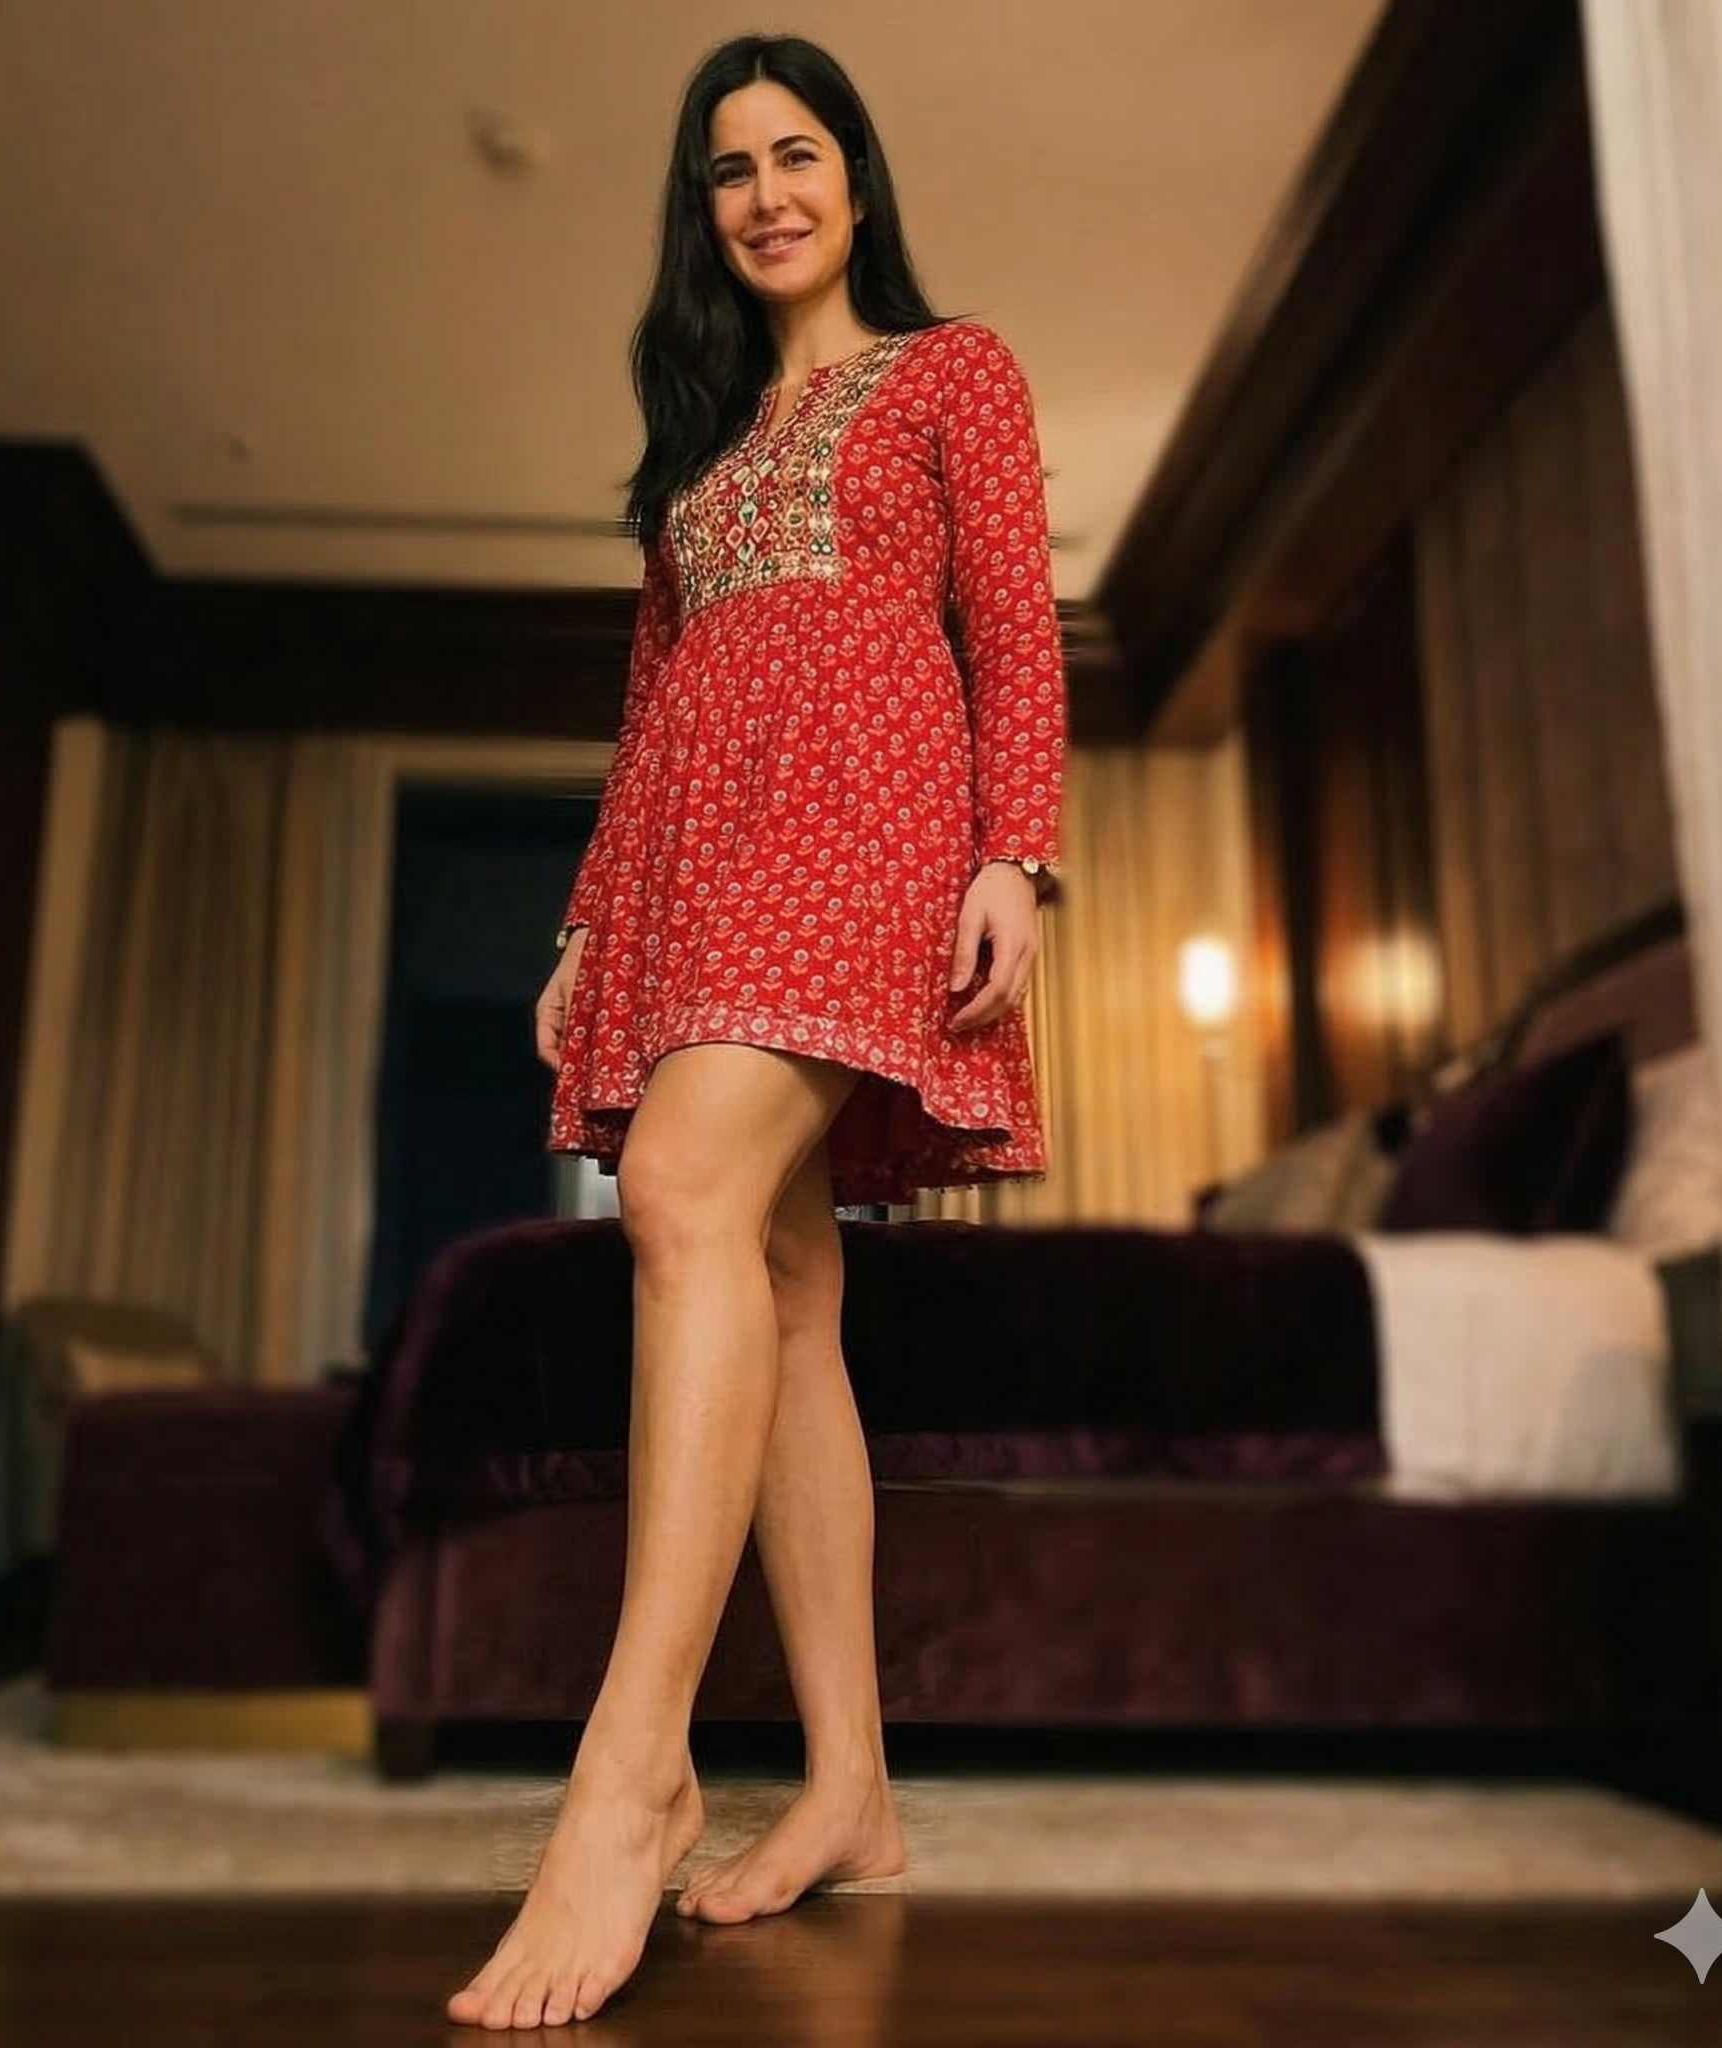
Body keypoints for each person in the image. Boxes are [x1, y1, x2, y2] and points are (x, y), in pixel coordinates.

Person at [447, 32, 1065, 2031]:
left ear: (855, 177)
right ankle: (855, 1788)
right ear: (703, 209)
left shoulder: (954, 370)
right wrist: (584, 918)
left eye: (798, 154)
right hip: (697, 846)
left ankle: (631, 1766)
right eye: (730, 169)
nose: (767, 194)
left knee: (683, 1190)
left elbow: (1014, 627)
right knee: (785, 1283)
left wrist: (1017, 854)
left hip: (867, 818)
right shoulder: (700, 454)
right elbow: (651, 707)